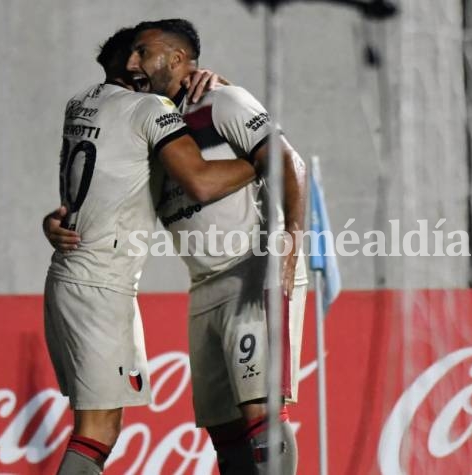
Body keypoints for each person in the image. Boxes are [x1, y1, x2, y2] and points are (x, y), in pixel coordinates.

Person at [43, 26, 257, 475]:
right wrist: (262, 157)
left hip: (73, 274)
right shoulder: (149, 107)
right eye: (139, 54)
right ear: (129, 65)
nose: (144, 64)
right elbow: (198, 178)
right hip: (100, 282)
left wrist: (214, 82)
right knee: (96, 430)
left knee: (101, 427)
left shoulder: (80, 103)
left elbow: (95, 179)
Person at [128, 19, 307, 475]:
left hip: (252, 267)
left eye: (142, 52)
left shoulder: (221, 100)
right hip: (204, 284)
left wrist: (291, 239)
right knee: (224, 433)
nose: (133, 64)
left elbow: (290, 162)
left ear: (174, 59)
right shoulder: (154, 125)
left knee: (260, 416)